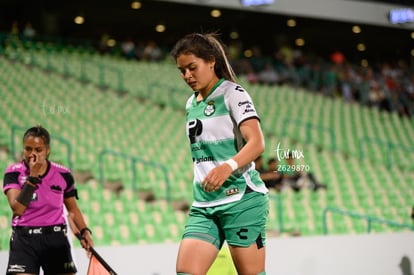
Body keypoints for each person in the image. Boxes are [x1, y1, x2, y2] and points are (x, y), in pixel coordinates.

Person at [171, 32, 269, 275]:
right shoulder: (190, 104)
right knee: (186, 271)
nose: (187, 76)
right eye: (182, 71)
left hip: (242, 200)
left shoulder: (232, 93)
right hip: (204, 204)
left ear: (211, 61)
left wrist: (227, 167)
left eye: (192, 68)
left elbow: (256, 143)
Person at [3, 125, 93, 275]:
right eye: (28, 149)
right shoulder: (13, 172)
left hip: (56, 240)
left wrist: (85, 231)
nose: (33, 154)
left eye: (38, 150)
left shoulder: (63, 174)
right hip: (25, 241)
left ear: (47, 150)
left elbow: (72, 210)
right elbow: (17, 209)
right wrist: (32, 177)